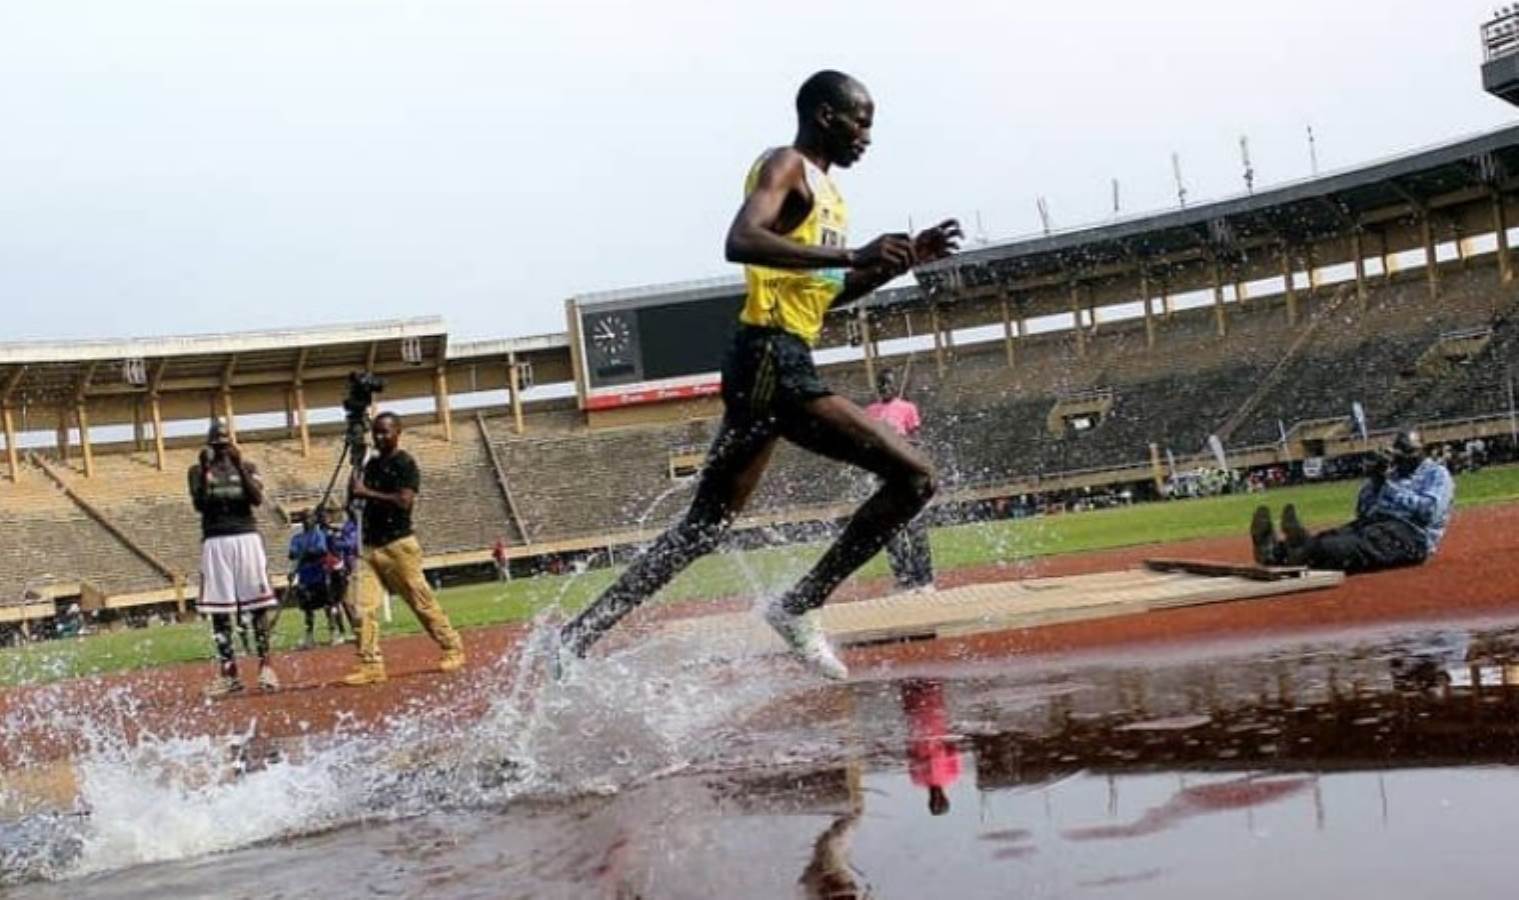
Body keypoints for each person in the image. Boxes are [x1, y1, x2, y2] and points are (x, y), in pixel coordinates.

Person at [554, 70, 961, 681]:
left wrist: (895, 264)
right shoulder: (786, 166)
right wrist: (853, 252)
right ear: (826, 115)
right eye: (862, 121)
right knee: (915, 477)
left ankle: (575, 637)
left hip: (768, 359)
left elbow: (825, 295)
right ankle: (798, 605)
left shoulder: (829, 197)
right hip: (773, 359)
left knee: (705, 525)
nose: (868, 137)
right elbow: (741, 239)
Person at [341, 412, 466, 686]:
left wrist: (366, 493)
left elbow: (403, 501)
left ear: (398, 432)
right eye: (376, 432)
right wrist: (354, 483)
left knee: (419, 601)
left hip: (398, 545)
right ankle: (371, 663)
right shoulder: (369, 465)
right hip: (369, 546)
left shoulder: (404, 463)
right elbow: (354, 502)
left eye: (385, 432)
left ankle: (452, 646)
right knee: (357, 603)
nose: (379, 437)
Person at [1251, 430, 1454, 573]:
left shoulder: (1436, 474)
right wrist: (1374, 482)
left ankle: (1299, 551)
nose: (1400, 460)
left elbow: (1429, 512)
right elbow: (1363, 512)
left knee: (1338, 548)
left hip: (1411, 537)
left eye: (1406, 454)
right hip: (1376, 525)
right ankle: (1276, 551)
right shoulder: (1392, 473)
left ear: (1421, 452)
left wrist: (1387, 487)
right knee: (1334, 535)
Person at [187, 420, 279, 697]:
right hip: (215, 540)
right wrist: (204, 470)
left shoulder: (248, 468)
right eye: (216, 444)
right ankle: (229, 673)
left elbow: (256, 499)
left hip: (245, 537)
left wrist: (239, 466)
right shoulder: (197, 471)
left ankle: (266, 666)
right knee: (220, 612)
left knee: (258, 607)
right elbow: (199, 504)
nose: (221, 448)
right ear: (209, 444)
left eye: (225, 443)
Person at [863, 368, 935, 591]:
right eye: (882, 385)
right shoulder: (870, 411)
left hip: (907, 474)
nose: (886, 388)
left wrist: (900, 439)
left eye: (889, 384)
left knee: (915, 528)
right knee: (889, 532)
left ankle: (924, 579)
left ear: (896, 386)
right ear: (877, 388)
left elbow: (917, 442)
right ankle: (903, 579)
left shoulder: (908, 408)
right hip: (882, 476)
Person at [290, 511, 346, 648]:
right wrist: (306, 553)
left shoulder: (318, 534)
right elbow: (292, 554)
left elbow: (321, 551)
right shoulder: (296, 538)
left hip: (320, 574)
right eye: (305, 519)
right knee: (308, 609)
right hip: (305, 576)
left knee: (328, 604)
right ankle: (309, 637)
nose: (307, 521)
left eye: (310, 518)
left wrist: (305, 553)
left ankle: (333, 633)